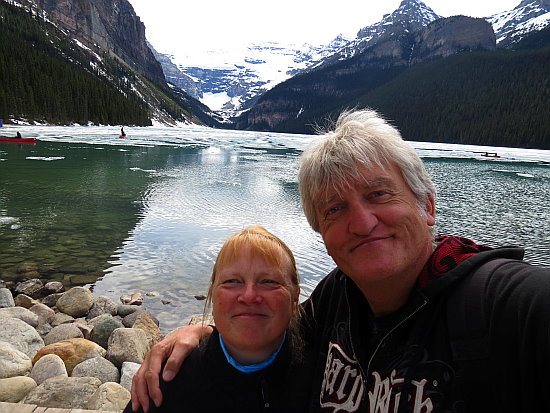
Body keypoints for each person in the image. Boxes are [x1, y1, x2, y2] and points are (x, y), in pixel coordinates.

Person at [131, 109, 550, 413]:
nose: (362, 223)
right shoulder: (338, 298)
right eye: (335, 209)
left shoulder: (506, 304)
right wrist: (203, 334)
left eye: (378, 194)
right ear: (322, 233)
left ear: (426, 206)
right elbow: (264, 327)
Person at [125, 225, 310, 413]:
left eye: (269, 281)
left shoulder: (320, 363)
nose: (249, 296)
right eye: (232, 281)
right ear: (212, 296)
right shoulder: (167, 380)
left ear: (295, 300)